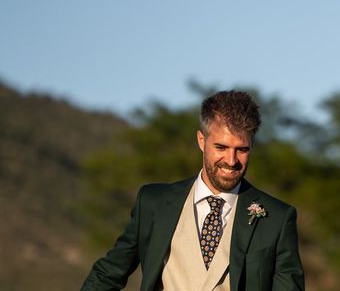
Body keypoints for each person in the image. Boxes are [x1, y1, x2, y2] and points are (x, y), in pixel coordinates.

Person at [82, 90, 305, 291]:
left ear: (252, 146)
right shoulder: (153, 202)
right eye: (221, 147)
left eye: (242, 149)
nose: (231, 160)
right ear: (201, 140)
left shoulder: (277, 217)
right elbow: (108, 275)